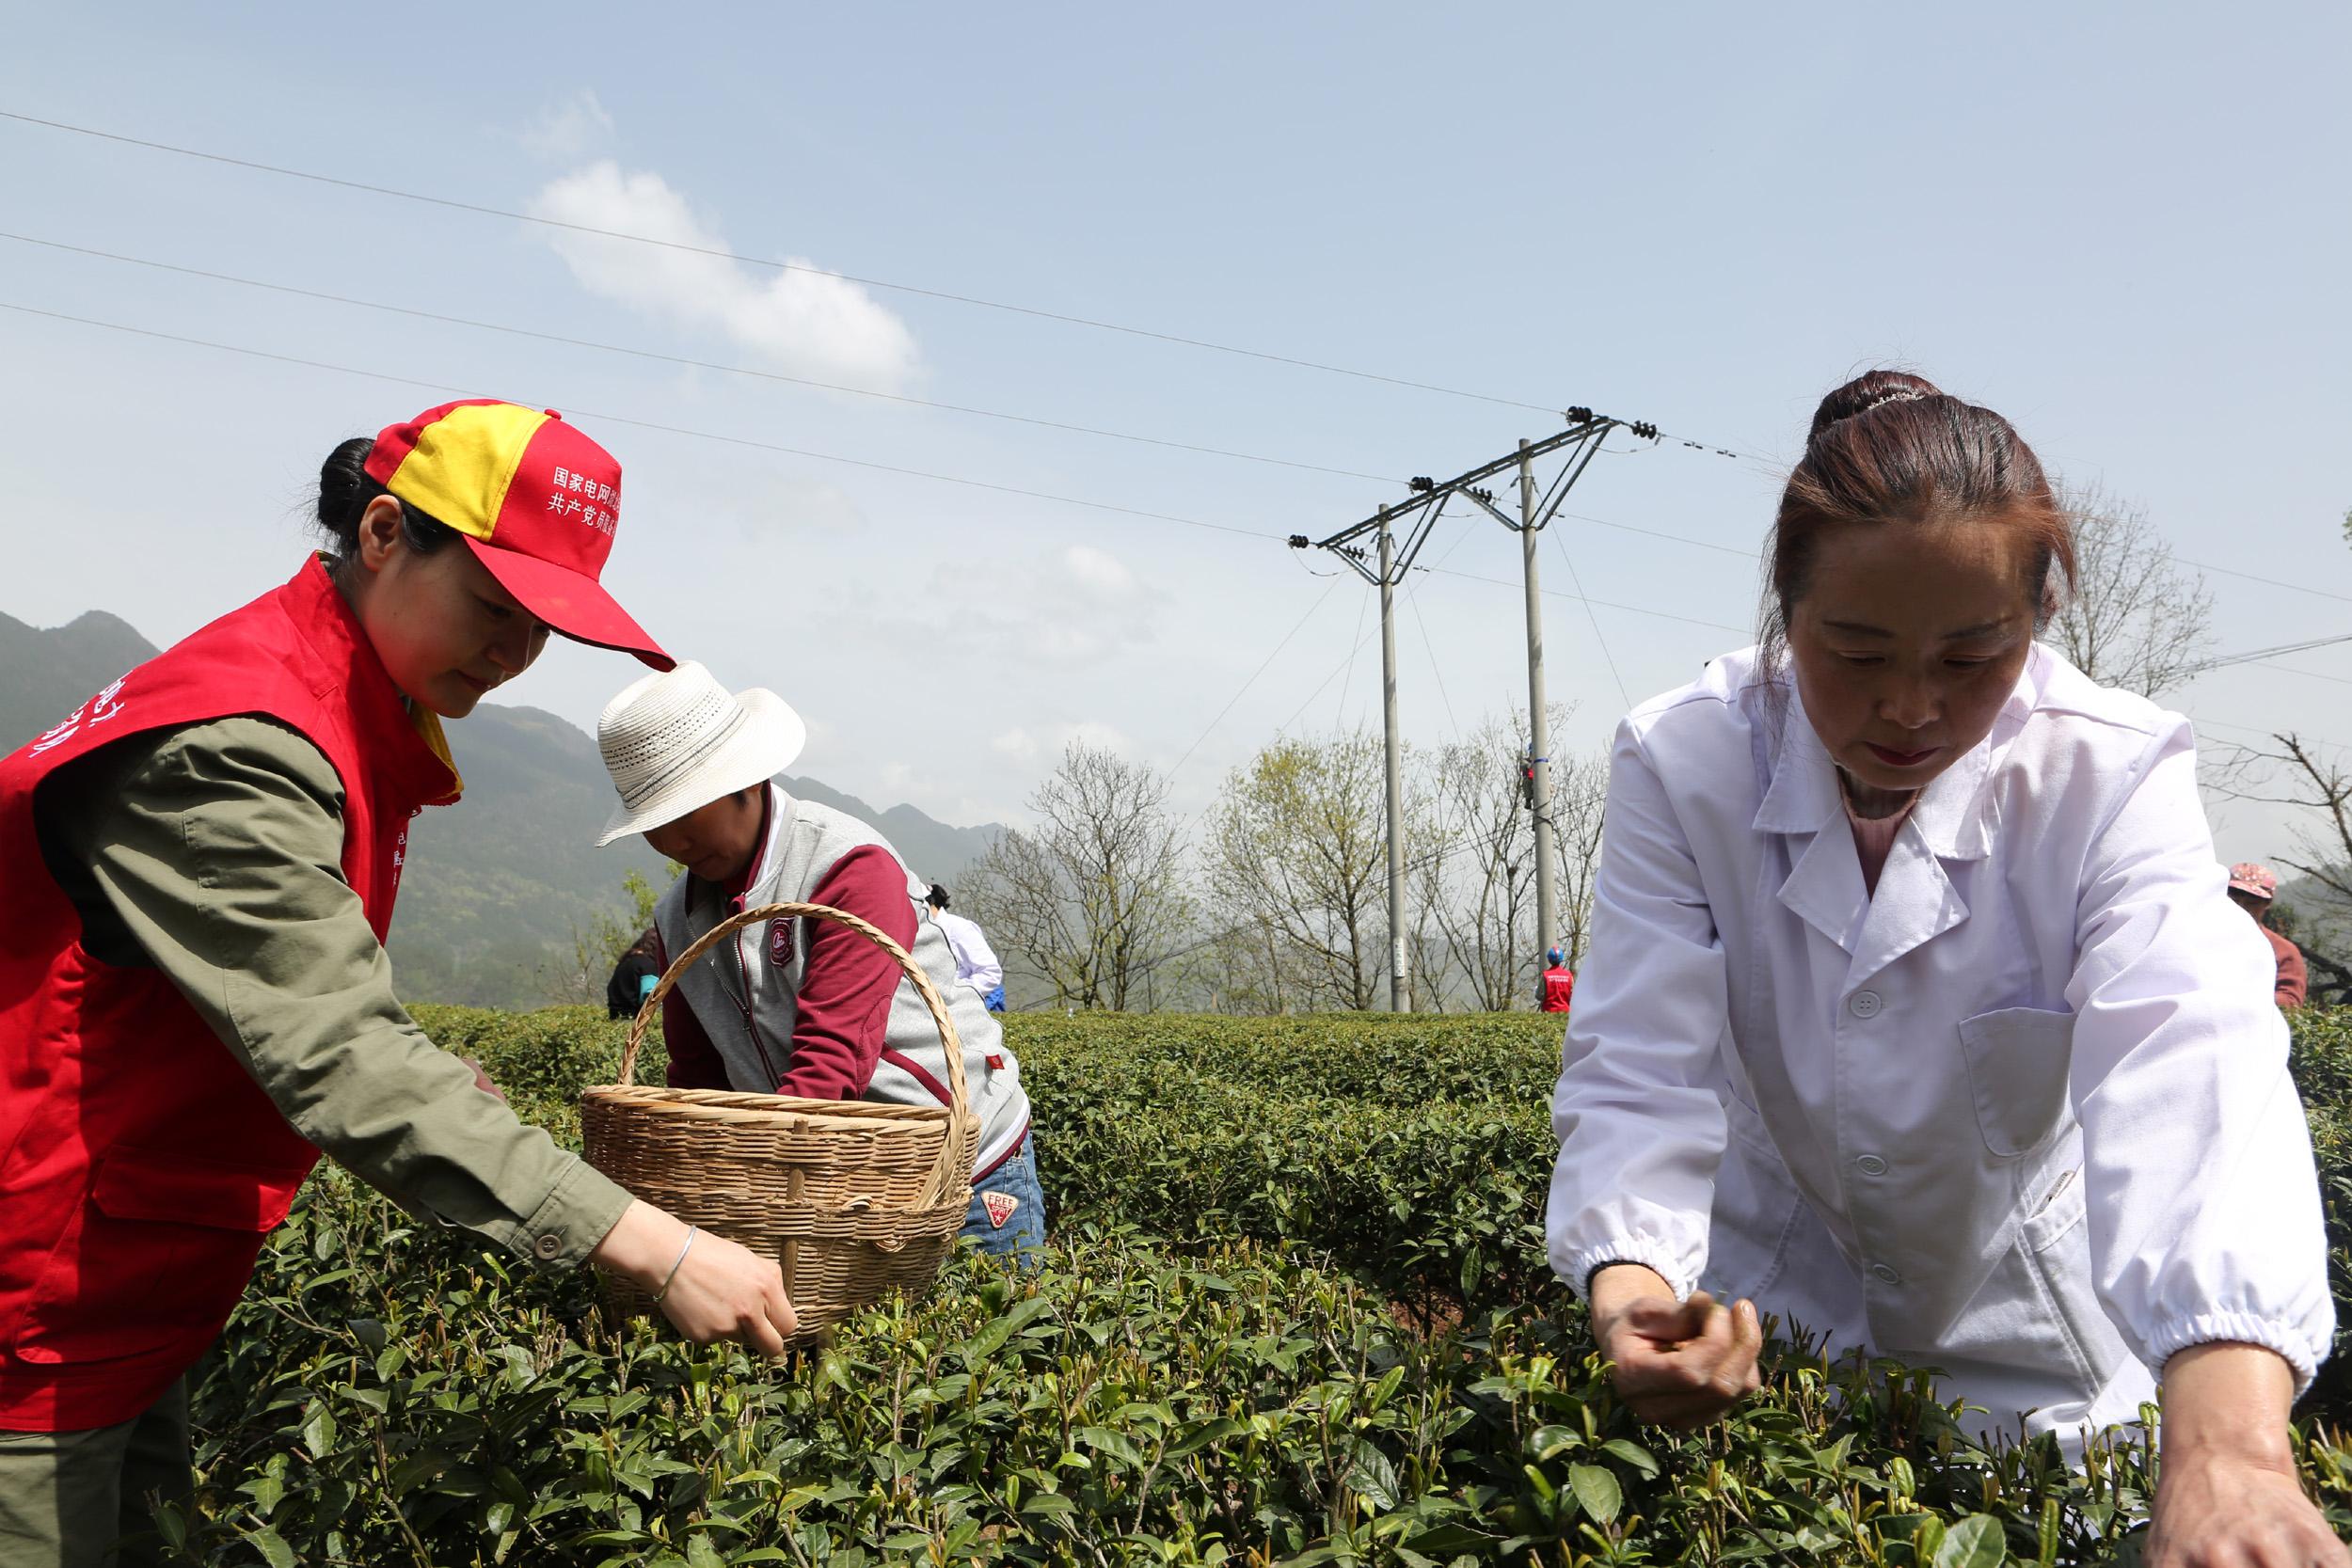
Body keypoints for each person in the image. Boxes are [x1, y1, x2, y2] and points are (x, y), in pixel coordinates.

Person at [1547, 372, 2340, 1566]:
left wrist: (2226, 1449)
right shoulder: (1685, 758)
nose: (1908, 708)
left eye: (1974, 657)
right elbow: (1638, 1059)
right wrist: (1634, 1285)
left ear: (2036, 622)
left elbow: (2192, 1064)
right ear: (1785, 607)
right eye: (1854, 651)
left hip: (2041, 1372)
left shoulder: (2107, 777)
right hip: (1780, 1336)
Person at [0, 401, 798, 1568]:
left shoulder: (341, 709)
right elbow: (341, 1054)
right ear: (383, 532)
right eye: (493, 608)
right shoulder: (244, 737)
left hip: (122, 1293)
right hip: (34, 1293)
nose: (515, 654)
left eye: (542, 630)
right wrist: (652, 1244)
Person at [596, 662, 1045, 1256]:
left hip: (960, 1167)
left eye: (685, 813)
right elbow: (699, 1082)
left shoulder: (845, 867)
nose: (672, 842)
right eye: (655, 825)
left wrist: (752, 1198)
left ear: (744, 781)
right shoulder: (678, 919)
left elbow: (830, 1063)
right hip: (828, 1177)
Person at [2227, 863, 2309, 1010]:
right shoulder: (2196, 938)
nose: (2241, 907)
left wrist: (2242, 1000)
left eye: (2252, 902)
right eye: (2234, 900)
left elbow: (2290, 1000)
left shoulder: (2283, 951)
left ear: (2267, 903)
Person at [926, 884, 1008, 1012]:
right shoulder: (919, 930)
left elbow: (990, 973)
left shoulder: (958, 927)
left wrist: (954, 998)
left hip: (963, 1011)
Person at [607, 927, 662, 1021]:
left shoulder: (627, 960)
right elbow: (649, 996)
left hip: (614, 1016)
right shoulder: (648, 965)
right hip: (632, 1019)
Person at [1540, 946, 1575, 1014]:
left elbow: (1539, 996)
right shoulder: (1569, 975)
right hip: (1565, 1013)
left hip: (1549, 1013)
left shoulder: (1546, 975)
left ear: (1549, 959)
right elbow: (1573, 995)